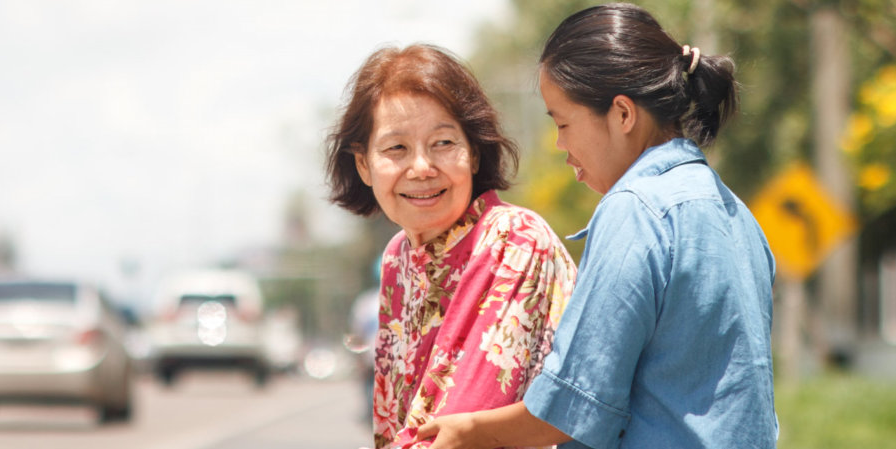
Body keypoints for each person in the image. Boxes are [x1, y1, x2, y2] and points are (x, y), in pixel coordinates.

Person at [416, 3, 779, 449]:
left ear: (623, 115)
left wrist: (468, 430)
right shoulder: (736, 213)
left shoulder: (634, 210)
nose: (560, 144)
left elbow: (573, 407)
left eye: (563, 122)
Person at [326, 43, 577, 449]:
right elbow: (394, 419)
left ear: (474, 154)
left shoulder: (515, 238)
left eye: (443, 143)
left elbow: (457, 426)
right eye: (396, 149)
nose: (422, 167)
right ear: (363, 165)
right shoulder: (398, 257)